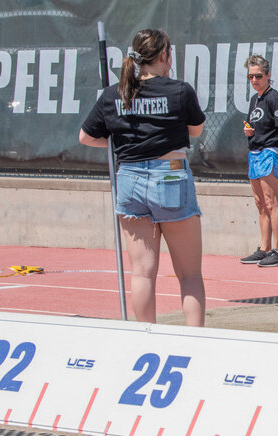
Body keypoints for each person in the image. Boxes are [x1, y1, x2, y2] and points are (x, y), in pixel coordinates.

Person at [79, 29, 206, 326]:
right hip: (171, 176)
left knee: (142, 273)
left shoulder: (115, 93)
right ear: (164, 56)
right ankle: (195, 343)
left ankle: (144, 339)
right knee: (188, 274)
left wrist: (118, 143)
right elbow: (196, 130)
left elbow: (85, 137)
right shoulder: (179, 90)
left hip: (131, 178)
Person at [239, 54, 278, 267]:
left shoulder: (274, 97)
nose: (254, 80)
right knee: (260, 203)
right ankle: (264, 249)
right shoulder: (255, 99)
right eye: (250, 77)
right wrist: (249, 132)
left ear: (268, 75)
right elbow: (258, 126)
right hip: (254, 152)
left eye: (258, 76)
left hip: (270, 152)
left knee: (272, 202)